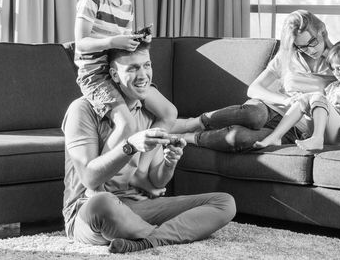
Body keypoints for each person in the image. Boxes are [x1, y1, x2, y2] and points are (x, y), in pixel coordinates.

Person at [62, 41, 236, 254]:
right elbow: (89, 178)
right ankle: (165, 235)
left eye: (147, 65)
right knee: (103, 203)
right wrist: (129, 146)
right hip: (87, 210)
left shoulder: (148, 113)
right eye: (133, 68)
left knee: (224, 203)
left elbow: (155, 181)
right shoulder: (82, 109)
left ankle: (144, 241)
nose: (143, 75)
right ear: (114, 75)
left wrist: (169, 164)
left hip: (135, 205)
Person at [177, 10, 340, 152]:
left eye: (312, 42)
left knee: (239, 138)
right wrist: (285, 101)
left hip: (296, 127)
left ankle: (188, 138)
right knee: (253, 113)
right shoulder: (287, 57)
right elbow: (254, 89)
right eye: (301, 46)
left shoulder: (339, 62)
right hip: (273, 108)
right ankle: (194, 122)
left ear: (322, 31)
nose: (310, 50)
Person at [73, 0, 177, 176]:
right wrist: (112, 42)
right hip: (95, 75)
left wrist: (138, 41)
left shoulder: (127, 5)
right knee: (127, 123)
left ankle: (140, 174)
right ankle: (98, 178)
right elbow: (80, 43)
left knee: (169, 113)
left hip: (119, 71)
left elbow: (124, 49)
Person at [253, 40, 340, 150]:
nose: (335, 73)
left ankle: (317, 139)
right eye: (333, 69)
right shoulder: (332, 87)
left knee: (316, 95)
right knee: (304, 98)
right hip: (329, 133)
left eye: (339, 69)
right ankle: (276, 137)